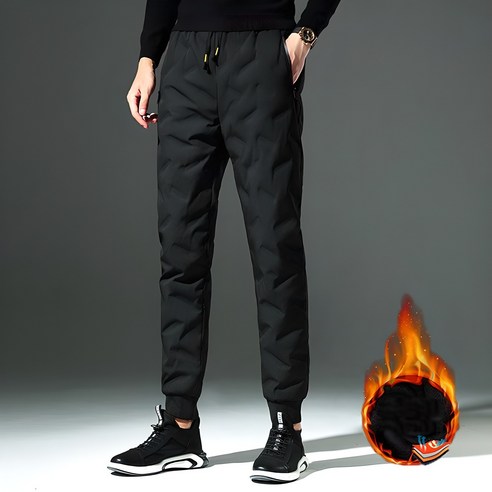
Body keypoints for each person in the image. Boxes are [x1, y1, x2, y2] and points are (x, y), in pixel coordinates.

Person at [108, 0, 341, 483]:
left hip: (261, 56)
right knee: (180, 250)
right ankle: (179, 428)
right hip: (185, 62)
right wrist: (148, 57)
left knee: (274, 247)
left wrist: (305, 35)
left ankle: (287, 427)